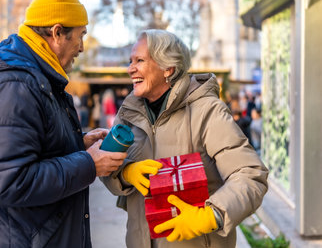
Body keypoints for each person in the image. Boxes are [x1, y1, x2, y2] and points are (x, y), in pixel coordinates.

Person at [0, 0, 127, 247]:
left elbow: (29, 152)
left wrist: (76, 146)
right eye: (80, 35)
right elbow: (7, 181)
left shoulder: (34, 77)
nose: (82, 47)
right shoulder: (14, 85)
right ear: (57, 33)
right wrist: (88, 164)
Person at [101, 30, 268, 248]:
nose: (130, 69)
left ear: (168, 68)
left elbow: (250, 175)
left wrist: (211, 216)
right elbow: (105, 168)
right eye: (130, 61)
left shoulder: (207, 111)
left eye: (139, 60)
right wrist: (124, 173)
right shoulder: (128, 113)